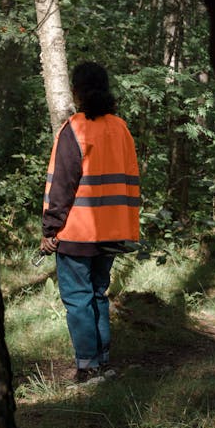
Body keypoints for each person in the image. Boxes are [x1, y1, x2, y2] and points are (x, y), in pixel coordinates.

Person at [40, 61, 140, 383]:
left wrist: (50, 229)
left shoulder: (76, 129)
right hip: (112, 232)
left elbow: (62, 185)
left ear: (76, 91)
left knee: (79, 299)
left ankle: (88, 367)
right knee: (97, 295)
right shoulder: (121, 128)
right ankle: (103, 361)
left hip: (76, 233)